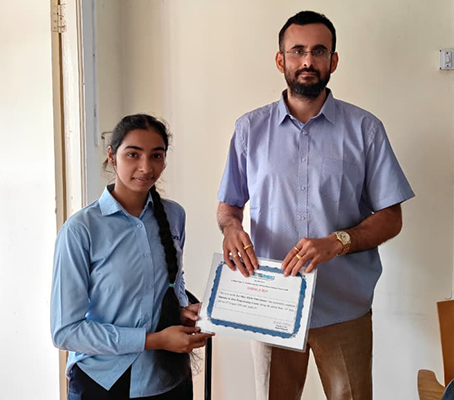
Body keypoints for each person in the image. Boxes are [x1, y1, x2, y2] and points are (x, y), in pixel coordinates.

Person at [217, 10, 414, 400]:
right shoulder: (249, 130)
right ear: (281, 60)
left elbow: (391, 217)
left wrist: (338, 241)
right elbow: (229, 206)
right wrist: (231, 229)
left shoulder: (365, 130)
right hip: (272, 302)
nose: (307, 61)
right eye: (298, 51)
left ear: (333, 61)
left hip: (343, 306)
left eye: (319, 51)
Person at [51, 114, 213, 400]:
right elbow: (65, 332)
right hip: (103, 381)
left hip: (168, 377)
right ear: (112, 156)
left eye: (156, 155)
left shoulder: (174, 215)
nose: (146, 167)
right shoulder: (81, 230)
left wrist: (180, 311)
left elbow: (172, 283)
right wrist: (153, 340)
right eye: (133, 154)